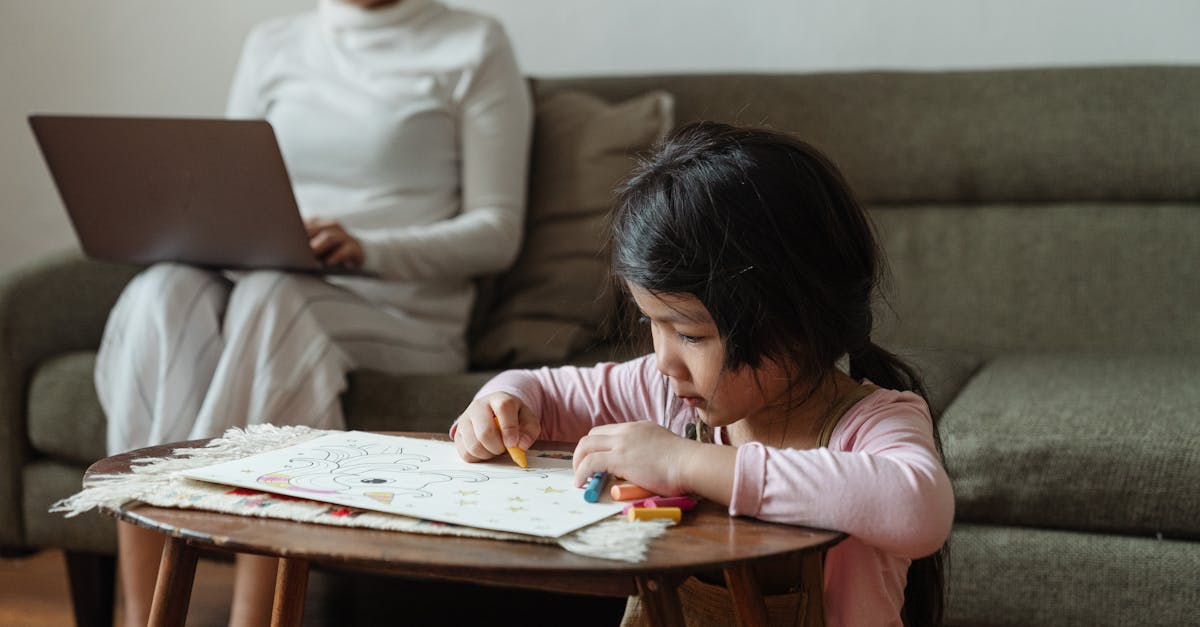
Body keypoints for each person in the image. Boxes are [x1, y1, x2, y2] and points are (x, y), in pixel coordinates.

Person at [96, 0, 531, 624]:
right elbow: (227, 190)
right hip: (266, 277)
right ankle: (144, 617)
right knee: (159, 292)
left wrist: (366, 247)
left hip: (401, 310)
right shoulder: (272, 43)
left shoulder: (474, 44)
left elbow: (498, 231)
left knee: (276, 301)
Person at [452, 122, 953, 626]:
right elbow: (541, 390)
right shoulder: (665, 392)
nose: (665, 361)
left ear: (797, 323)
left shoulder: (869, 425)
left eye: (690, 334)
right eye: (653, 323)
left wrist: (685, 462)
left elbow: (916, 507)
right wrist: (500, 404)